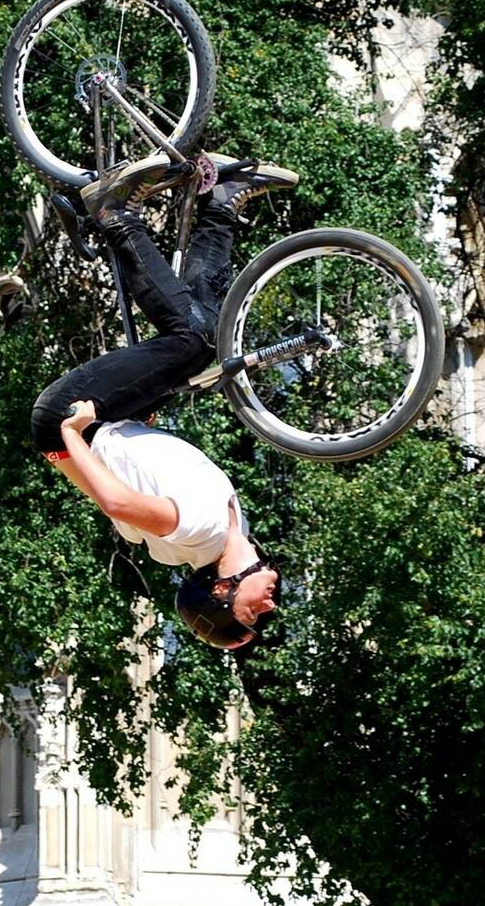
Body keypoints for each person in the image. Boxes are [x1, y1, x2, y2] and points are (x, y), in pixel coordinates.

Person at [29, 151, 294, 650]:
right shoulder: (219, 532)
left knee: (192, 340)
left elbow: (115, 503)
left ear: (221, 591)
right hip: (111, 421)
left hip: (72, 418)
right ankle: (221, 204)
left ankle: (113, 213)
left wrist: (70, 434)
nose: (270, 607)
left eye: (252, 614)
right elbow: (129, 509)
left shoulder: (198, 531)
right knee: (210, 333)